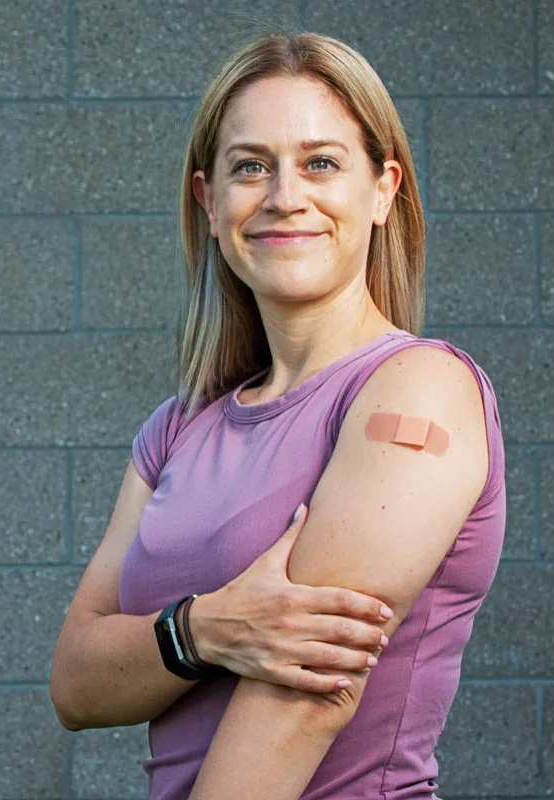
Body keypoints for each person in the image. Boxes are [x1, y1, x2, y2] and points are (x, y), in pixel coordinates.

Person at [49, 30, 506, 800]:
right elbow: (76, 684)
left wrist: (172, 646)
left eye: (321, 163)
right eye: (251, 166)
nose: (284, 195)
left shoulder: (417, 390)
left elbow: (306, 699)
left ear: (383, 189)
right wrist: (202, 630)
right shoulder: (179, 427)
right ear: (209, 198)